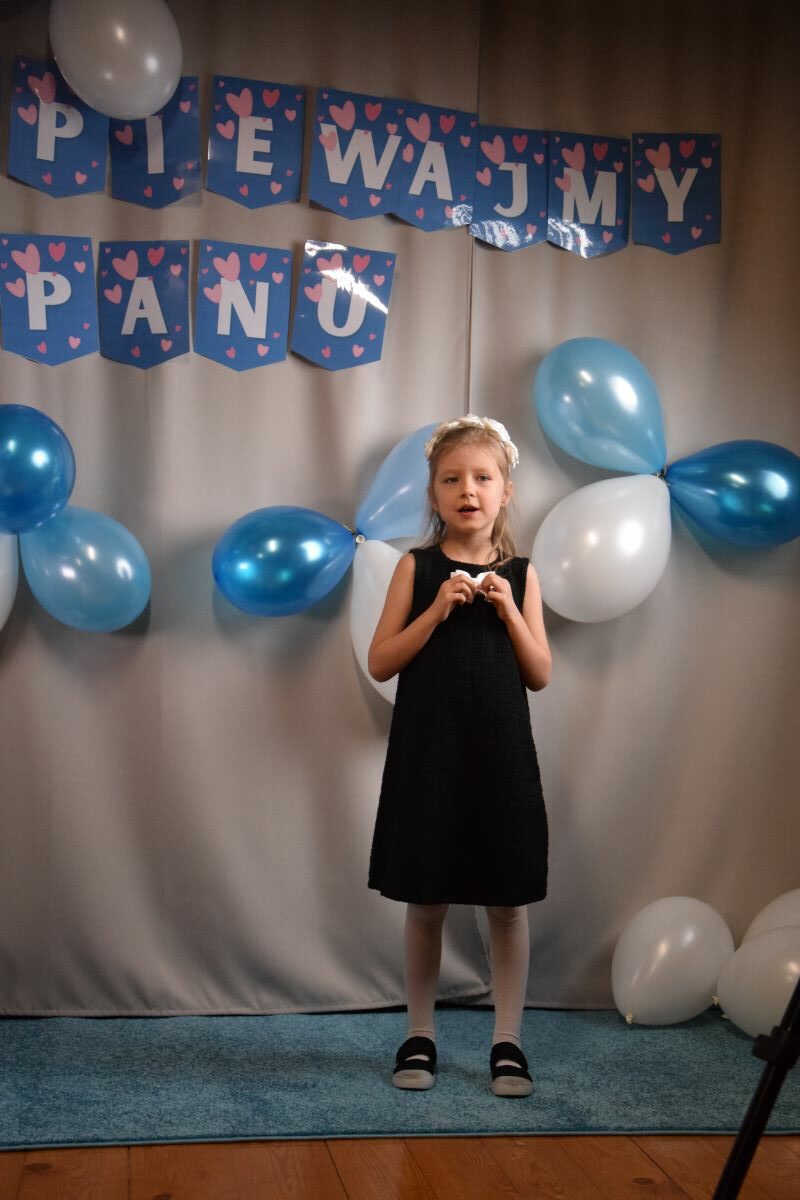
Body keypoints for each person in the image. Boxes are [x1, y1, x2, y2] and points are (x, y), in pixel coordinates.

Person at [367, 414, 551, 1098]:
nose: (467, 490)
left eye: (482, 478)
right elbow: (381, 661)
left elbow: (540, 673)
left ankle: (508, 1040)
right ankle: (420, 1033)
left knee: (507, 900)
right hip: (430, 755)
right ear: (434, 495)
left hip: (501, 758)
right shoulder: (414, 569)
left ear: (505, 492)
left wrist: (508, 612)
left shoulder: (523, 576)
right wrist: (437, 608)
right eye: (451, 479)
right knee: (427, 897)